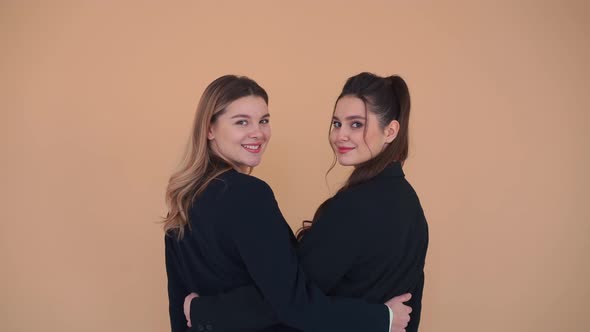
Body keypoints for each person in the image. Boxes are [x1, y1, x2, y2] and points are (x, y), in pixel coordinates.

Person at [163, 74, 412, 332]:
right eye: (241, 122)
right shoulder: (249, 195)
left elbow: (177, 305)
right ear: (209, 129)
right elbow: (291, 302)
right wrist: (383, 319)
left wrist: (198, 311)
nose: (257, 133)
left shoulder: (182, 197)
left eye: (264, 121)